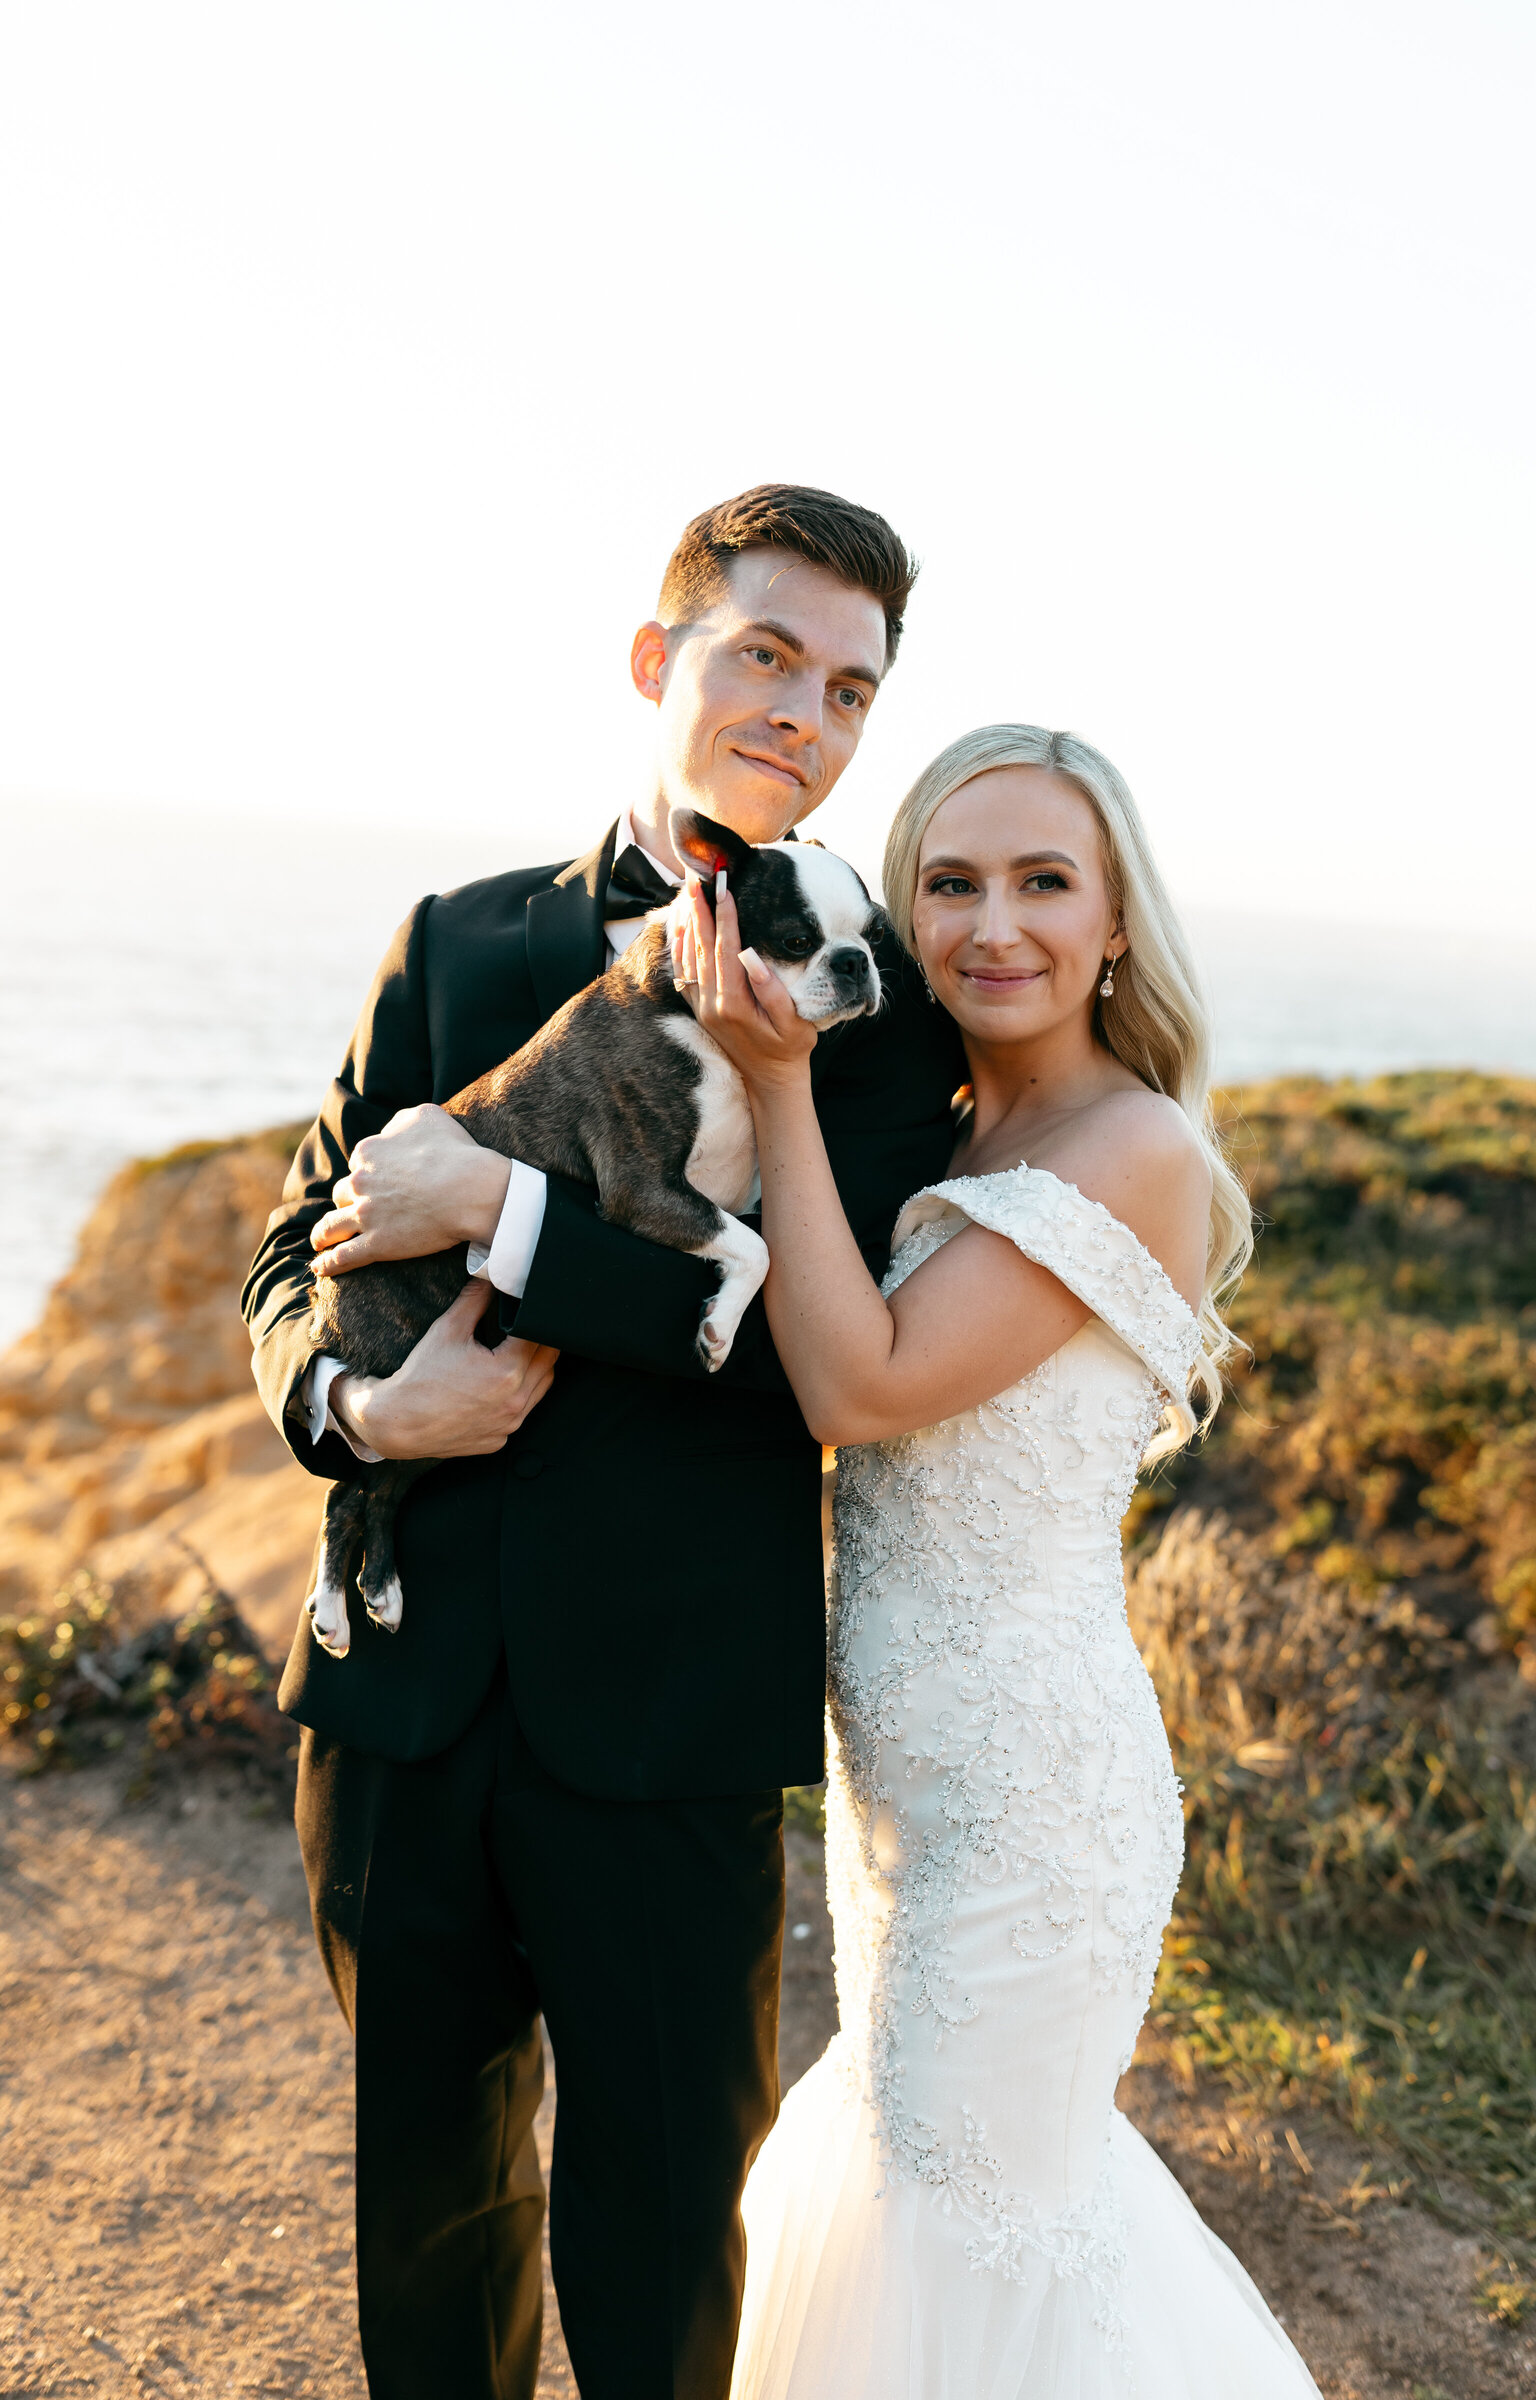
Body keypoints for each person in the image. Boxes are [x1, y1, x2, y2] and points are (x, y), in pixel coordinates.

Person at [240, 485, 966, 2400]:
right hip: (397, 1709)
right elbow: (291, 1248)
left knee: (658, 2257)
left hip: (665, 1730)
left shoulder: (880, 1025)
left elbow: (814, 1357)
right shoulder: (451, 943)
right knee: (428, 2222)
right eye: (765, 655)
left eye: (849, 689)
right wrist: (360, 1408)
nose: (804, 713)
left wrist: (502, 1216)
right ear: (660, 662)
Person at [669, 724, 1322, 2397]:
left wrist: (780, 1084)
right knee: (927, 2198)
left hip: (1034, 1811)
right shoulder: (954, 1129)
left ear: (1116, 923)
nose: (994, 924)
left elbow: (859, 1386)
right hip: (908, 1802)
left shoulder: (1133, 1150)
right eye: (948, 884)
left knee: (970, 2224)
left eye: (1045, 881)